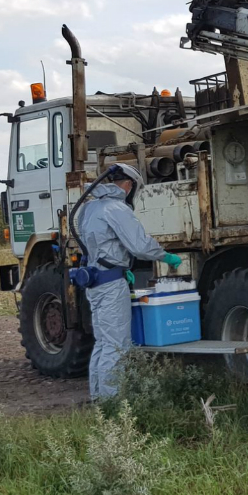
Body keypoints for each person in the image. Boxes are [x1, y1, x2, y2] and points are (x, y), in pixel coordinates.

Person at [78, 163, 182, 400]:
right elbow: (139, 245)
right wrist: (165, 256)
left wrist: (119, 267)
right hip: (111, 285)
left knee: (103, 343)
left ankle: (98, 398)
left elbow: (94, 245)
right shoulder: (116, 208)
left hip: (95, 280)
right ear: (129, 185)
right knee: (117, 346)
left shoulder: (90, 207)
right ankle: (112, 405)